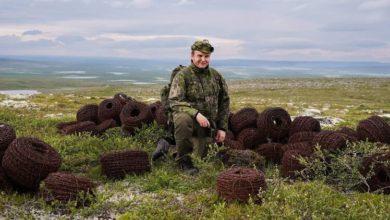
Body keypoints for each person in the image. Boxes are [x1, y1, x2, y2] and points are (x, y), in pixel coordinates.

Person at [158, 39, 230, 175]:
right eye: (199, 56)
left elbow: (224, 102)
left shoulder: (216, 76)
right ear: (192, 56)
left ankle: (167, 147)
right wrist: (196, 114)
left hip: (207, 126)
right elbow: (175, 101)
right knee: (183, 118)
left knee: (201, 156)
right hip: (188, 123)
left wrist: (222, 128)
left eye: (206, 56)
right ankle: (183, 161)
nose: (203, 59)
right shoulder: (182, 76)